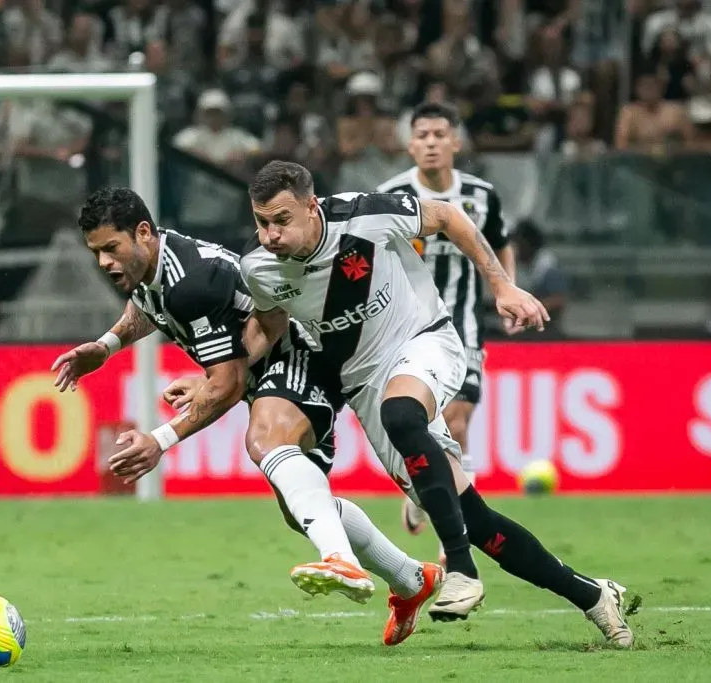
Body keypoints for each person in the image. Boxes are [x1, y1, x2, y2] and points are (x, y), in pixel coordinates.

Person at [240, 161, 633, 647]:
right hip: (364, 385)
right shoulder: (258, 267)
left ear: (311, 206)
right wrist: (215, 378)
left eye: (282, 219)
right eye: (262, 222)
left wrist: (502, 285)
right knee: (478, 519)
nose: (271, 234)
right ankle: (594, 597)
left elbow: (447, 215)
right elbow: (269, 327)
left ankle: (460, 569)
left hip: (423, 341)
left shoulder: (364, 217)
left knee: (402, 413)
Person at [52, 187, 442, 646]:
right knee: (302, 511)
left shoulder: (192, 282)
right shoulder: (153, 267)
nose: (104, 263)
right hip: (268, 373)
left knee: (265, 441)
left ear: (142, 233)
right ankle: (414, 580)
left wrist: (159, 439)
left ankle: (340, 559)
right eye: (96, 252)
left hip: (303, 355)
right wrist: (107, 346)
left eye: (110, 249)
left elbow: (228, 384)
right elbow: (146, 307)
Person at [376, 101, 515, 558]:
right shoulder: (391, 194)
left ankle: (449, 535)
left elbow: (500, 245)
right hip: (405, 330)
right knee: (422, 424)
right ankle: (424, 490)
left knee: (457, 421)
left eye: (440, 134)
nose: (432, 143)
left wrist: (507, 291)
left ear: (455, 141)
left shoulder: (481, 195)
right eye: (423, 135)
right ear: (410, 144)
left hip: (464, 326)